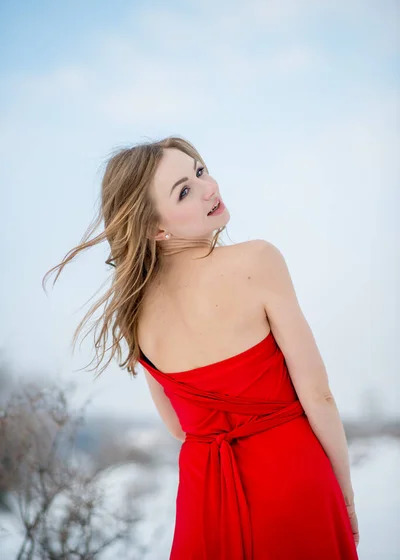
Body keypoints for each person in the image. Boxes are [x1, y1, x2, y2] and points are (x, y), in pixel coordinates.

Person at [43, 136, 360, 559]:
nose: (209, 186)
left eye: (198, 170)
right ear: (156, 227)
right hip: (293, 477)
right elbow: (318, 394)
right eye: (185, 190)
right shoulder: (257, 260)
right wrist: (347, 496)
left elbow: (179, 427)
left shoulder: (134, 310)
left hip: (204, 494)